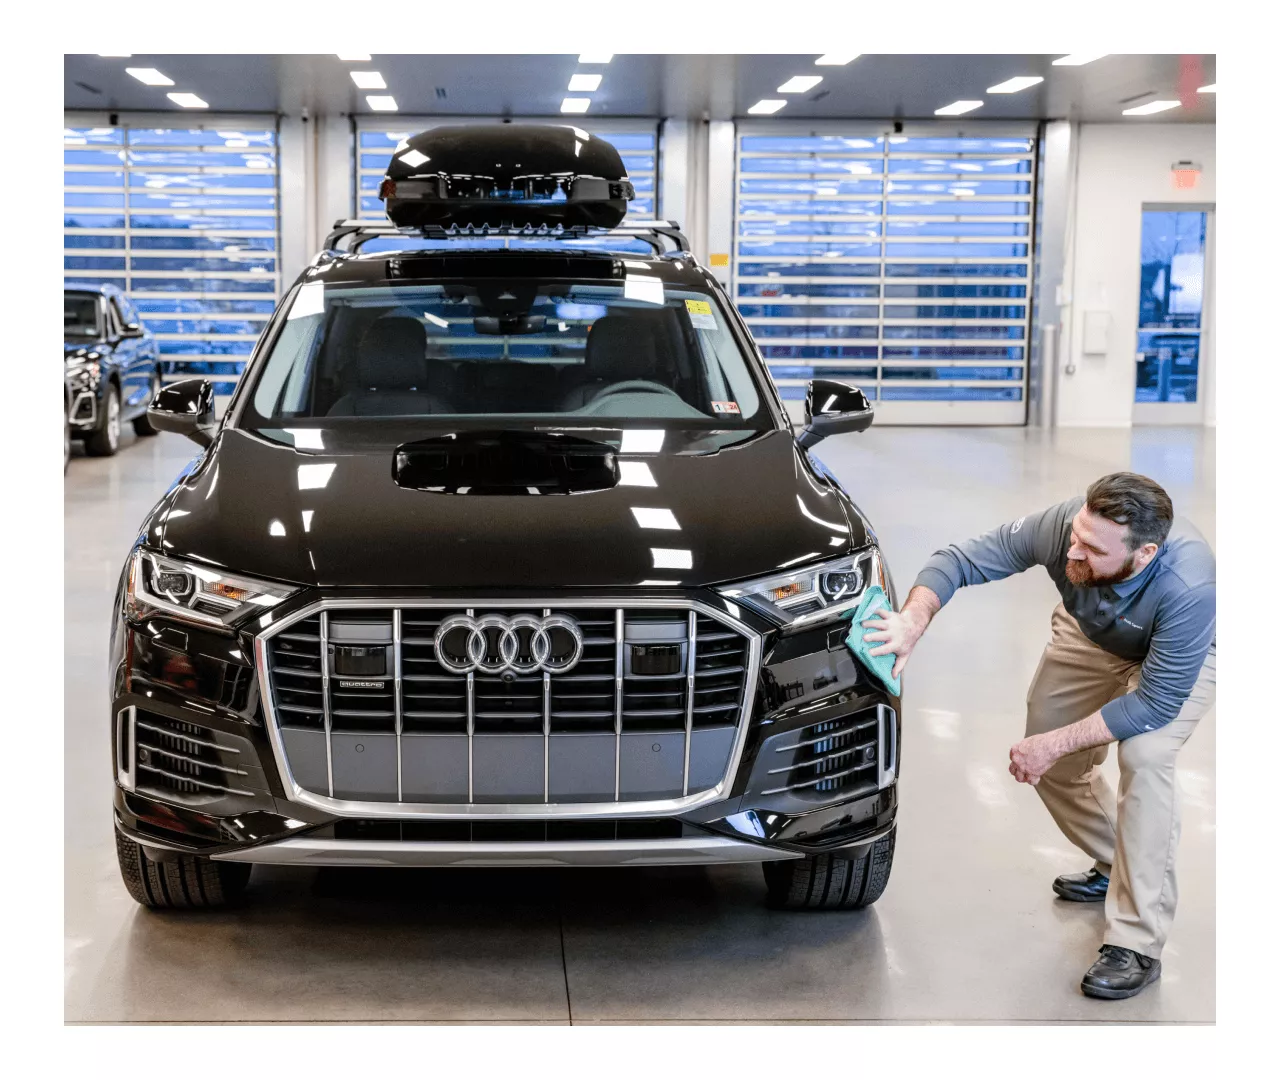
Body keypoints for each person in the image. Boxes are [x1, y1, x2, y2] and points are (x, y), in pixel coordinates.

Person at [862, 472, 1215, 1000]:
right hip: (1092, 633)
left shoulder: (1189, 588)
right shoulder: (1069, 526)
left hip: (1173, 659)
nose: (1073, 548)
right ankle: (1120, 863)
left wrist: (1052, 745)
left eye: (1092, 548)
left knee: (1145, 755)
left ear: (1143, 555)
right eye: (1076, 533)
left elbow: (1153, 704)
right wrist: (914, 618)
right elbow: (959, 559)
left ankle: (1136, 942)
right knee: (1052, 753)